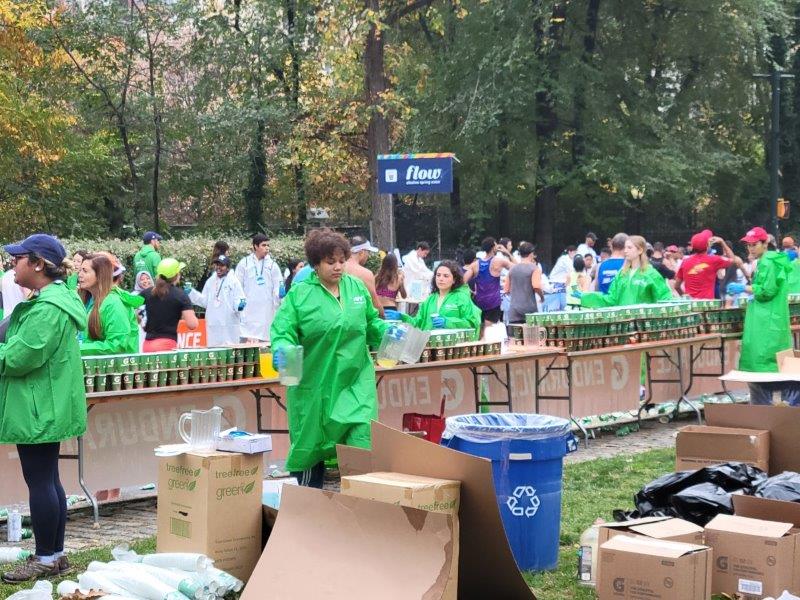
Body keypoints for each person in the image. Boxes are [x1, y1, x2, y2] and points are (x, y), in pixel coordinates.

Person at [270, 229, 390, 488]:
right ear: (316, 264)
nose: (338, 267)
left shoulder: (356, 287)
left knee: (362, 444)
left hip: (355, 384)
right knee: (311, 449)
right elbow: (282, 331)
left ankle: (362, 510)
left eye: (341, 260)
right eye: (330, 261)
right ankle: (309, 511)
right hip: (316, 388)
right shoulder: (300, 295)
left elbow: (371, 325)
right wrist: (285, 354)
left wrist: (392, 334)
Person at [0, 234, 86, 583]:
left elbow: (21, 357)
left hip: (38, 405)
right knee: (48, 478)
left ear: (37, 264)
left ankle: (45, 557)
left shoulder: (48, 308)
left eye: (18, 258)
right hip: (44, 401)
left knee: (40, 480)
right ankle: (56, 554)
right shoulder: (53, 299)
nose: (11, 263)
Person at [727, 227, 796, 404]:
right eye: (748, 245)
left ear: (765, 244)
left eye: (754, 244)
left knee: (761, 370)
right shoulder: (769, 260)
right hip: (768, 319)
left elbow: (766, 291)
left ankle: (763, 414)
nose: (750, 248)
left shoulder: (768, 262)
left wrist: (743, 288)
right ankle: (771, 411)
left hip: (765, 322)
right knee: (768, 369)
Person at [386, 260, 481, 338]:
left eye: (446, 276)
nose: (441, 279)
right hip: (431, 347)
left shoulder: (461, 298)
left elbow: (472, 323)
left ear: (454, 280)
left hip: (454, 350)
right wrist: (402, 317)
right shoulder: (429, 300)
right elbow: (418, 323)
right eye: (438, 275)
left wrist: (448, 322)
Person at [578, 236, 672, 307]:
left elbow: (664, 299)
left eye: (629, 248)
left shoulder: (651, 274)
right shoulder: (621, 274)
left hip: (643, 327)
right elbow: (611, 299)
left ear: (640, 250)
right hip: (625, 326)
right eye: (625, 248)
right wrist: (586, 297)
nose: (625, 251)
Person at [77, 254, 141, 355]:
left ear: (100, 275)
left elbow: (117, 345)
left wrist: (78, 349)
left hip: (119, 369)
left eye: (85, 271)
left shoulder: (113, 303)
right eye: (80, 270)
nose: (79, 275)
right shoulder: (92, 300)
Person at [187, 255, 246, 346]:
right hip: (213, 324)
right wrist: (192, 293)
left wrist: (239, 305)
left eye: (222, 265)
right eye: (217, 265)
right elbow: (204, 301)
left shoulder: (233, 281)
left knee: (230, 352)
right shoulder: (210, 281)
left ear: (227, 268)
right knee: (214, 352)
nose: (218, 268)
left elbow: (239, 299)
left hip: (229, 324)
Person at [140, 258, 198, 352]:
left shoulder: (146, 293)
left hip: (147, 345)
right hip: (167, 346)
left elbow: (134, 312)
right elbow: (192, 324)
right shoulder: (180, 295)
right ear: (176, 275)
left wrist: (142, 322)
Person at [236, 234, 282, 341]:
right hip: (248, 309)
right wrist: (239, 303)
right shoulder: (244, 263)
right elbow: (237, 285)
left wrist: (279, 296)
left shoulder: (272, 265)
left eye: (268, 245)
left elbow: (278, 286)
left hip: (266, 311)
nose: (267, 248)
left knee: (265, 342)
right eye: (264, 245)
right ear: (256, 246)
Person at [463, 237, 514, 326]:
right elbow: (518, 268)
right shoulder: (498, 261)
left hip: (479, 303)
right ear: (494, 247)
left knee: (481, 331)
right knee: (489, 333)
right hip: (493, 303)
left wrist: (471, 292)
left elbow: (462, 281)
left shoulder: (475, 265)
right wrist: (507, 253)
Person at [675, 231, 739, 299]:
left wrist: (684, 296)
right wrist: (722, 242)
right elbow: (733, 260)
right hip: (707, 305)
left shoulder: (685, 262)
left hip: (690, 305)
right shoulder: (713, 260)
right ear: (707, 246)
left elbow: (676, 286)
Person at [344, 235, 384, 317]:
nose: (368, 256)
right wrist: (383, 316)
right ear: (361, 252)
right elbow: (375, 303)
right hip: (358, 319)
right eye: (368, 252)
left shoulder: (337, 268)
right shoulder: (365, 273)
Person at [505, 242, 543, 323]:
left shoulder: (512, 269)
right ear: (531, 253)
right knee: (530, 335)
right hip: (529, 311)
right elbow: (536, 286)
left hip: (514, 312)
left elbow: (506, 290)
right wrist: (542, 297)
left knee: (514, 335)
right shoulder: (535, 268)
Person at [544, 245, 576, 311]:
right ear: (570, 252)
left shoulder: (568, 259)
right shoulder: (565, 259)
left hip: (560, 283)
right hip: (556, 284)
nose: (575, 255)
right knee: (558, 308)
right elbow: (572, 272)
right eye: (575, 252)